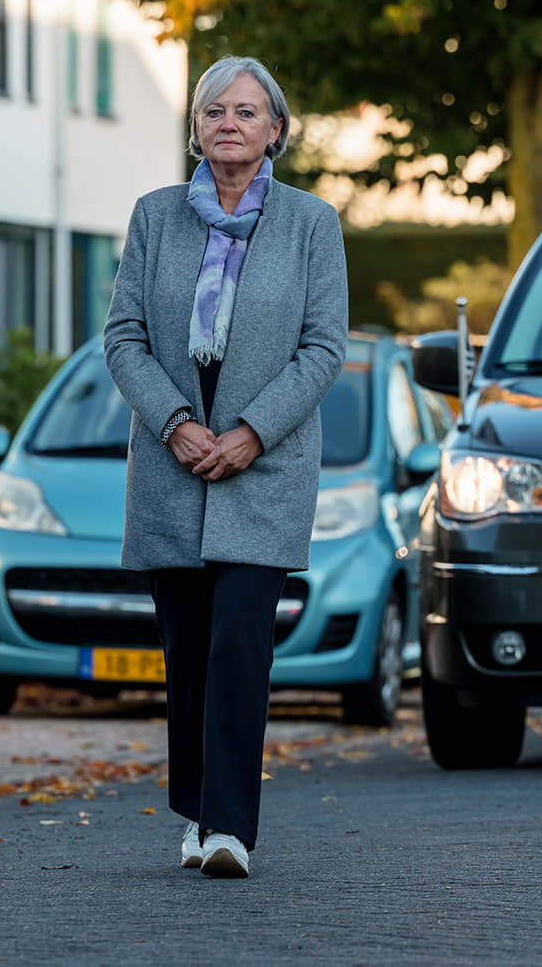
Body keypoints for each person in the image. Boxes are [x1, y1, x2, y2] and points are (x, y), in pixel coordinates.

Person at [104, 56, 347, 879]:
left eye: (248, 111)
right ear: (197, 127)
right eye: (216, 110)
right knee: (189, 651)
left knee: (241, 643)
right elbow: (124, 337)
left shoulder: (312, 223)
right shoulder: (155, 216)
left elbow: (323, 350)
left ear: (276, 130)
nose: (230, 124)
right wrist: (175, 422)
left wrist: (250, 431)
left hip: (264, 471)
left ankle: (230, 829)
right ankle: (196, 812)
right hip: (174, 470)